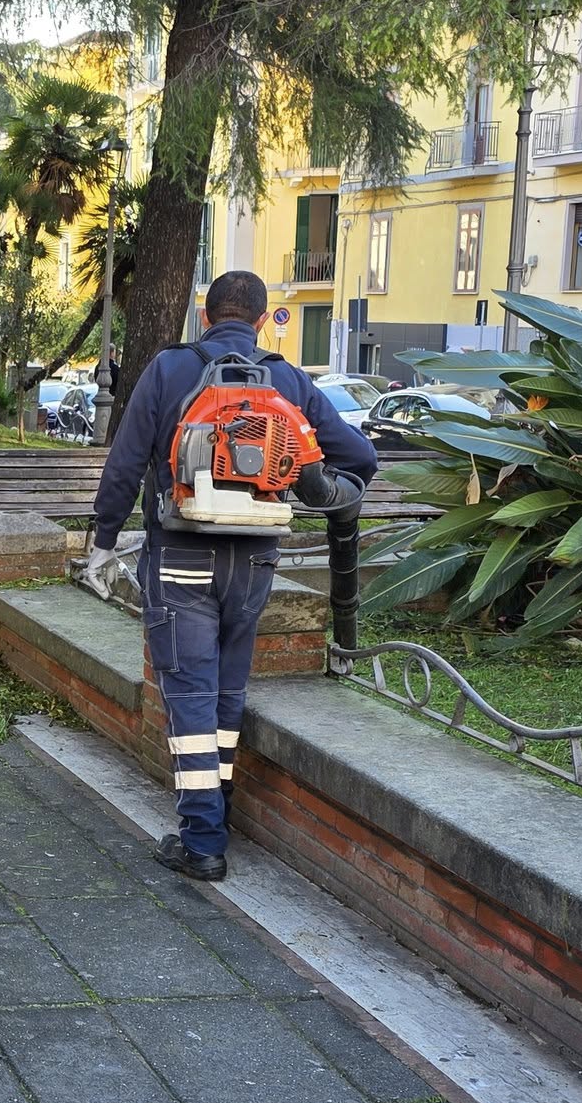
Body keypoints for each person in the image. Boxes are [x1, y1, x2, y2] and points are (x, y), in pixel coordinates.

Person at [89, 270, 375, 882]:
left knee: (189, 697)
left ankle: (203, 842)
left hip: (181, 554)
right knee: (224, 696)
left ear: (207, 314)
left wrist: (103, 540)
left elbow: (125, 462)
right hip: (255, 563)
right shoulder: (289, 379)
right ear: (262, 317)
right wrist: (322, 490)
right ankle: (216, 811)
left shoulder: (170, 369)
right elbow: (360, 458)